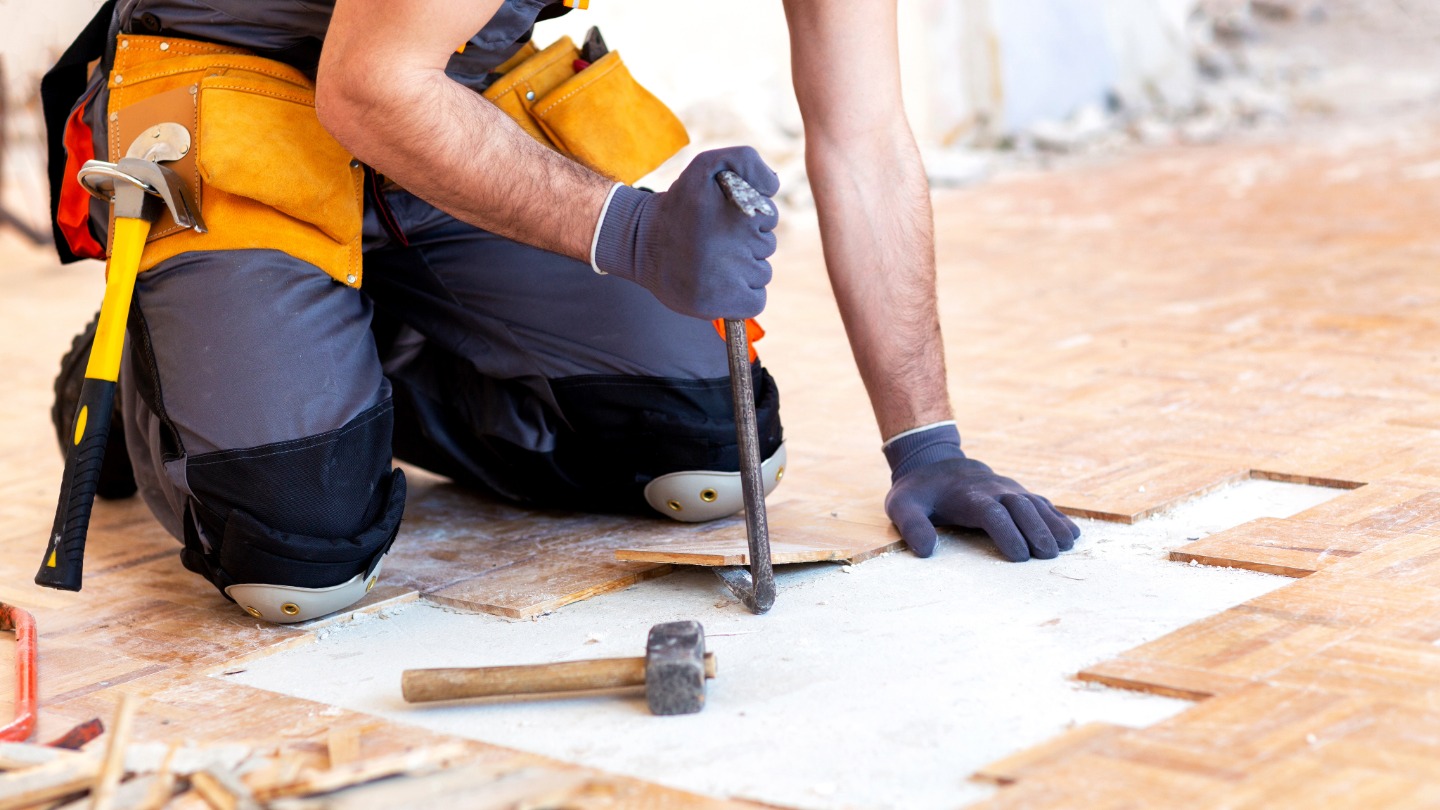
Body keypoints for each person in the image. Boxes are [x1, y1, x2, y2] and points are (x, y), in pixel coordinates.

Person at [43, 0, 1079, 624]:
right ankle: (155, 353)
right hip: (244, 95)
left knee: (712, 450)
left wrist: (926, 441)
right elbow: (366, 89)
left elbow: (864, 135)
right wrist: (634, 233)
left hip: (459, 94)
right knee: (294, 559)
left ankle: (363, 352)